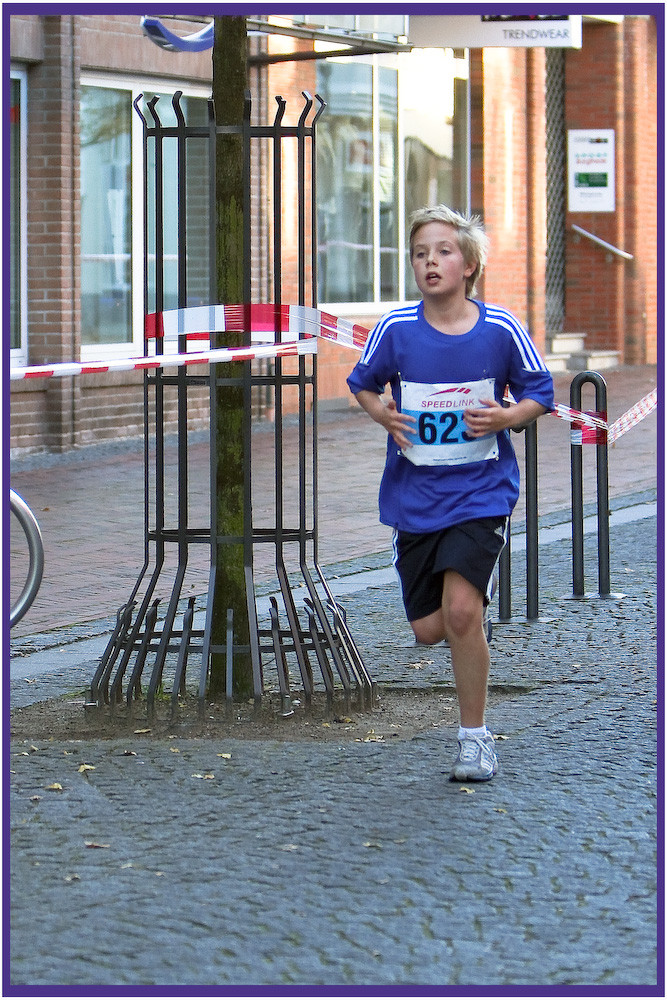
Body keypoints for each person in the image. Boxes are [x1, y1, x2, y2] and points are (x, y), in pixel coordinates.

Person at [347, 205, 555, 781]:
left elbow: (542, 392)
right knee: (429, 629)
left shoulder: (500, 330)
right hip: (415, 498)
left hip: (480, 493)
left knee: (463, 612)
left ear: (468, 264)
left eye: (442, 251)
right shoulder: (396, 330)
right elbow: (361, 385)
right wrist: (385, 418)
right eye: (420, 253)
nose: (430, 261)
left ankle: (474, 737)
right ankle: (465, 631)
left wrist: (508, 417)